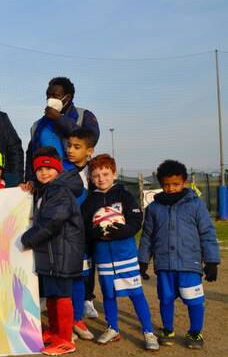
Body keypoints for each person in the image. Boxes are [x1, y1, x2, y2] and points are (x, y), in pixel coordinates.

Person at [138, 160, 220, 349]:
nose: (171, 188)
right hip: (165, 265)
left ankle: (195, 333)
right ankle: (168, 330)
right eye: (166, 184)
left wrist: (212, 261)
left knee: (194, 300)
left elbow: (207, 233)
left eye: (175, 184)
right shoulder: (154, 209)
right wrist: (143, 260)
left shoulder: (196, 205)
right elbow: (147, 236)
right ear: (161, 184)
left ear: (183, 182)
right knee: (165, 299)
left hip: (189, 265)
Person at [81, 154, 159, 350]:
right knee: (108, 294)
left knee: (136, 293)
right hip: (104, 258)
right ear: (91, 178)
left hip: (125, 255)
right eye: (96, 175)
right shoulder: (90, 202)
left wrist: (124, 231)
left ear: (114, 174)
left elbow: (135, 220)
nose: (101, 179)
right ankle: (113, 327)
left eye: (106, 174)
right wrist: (95, 232)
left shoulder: (124, 195)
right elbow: (84, 228)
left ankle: (148, 331)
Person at [20, 146, 84, 356]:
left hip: (63, 254)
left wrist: (27, 239)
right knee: (53, 297)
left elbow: (52, 222)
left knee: (63, 297)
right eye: (39, 170)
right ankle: (55, 332)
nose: (44, 173)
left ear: (57, 169)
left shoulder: (60, 192)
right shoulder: (45, 191)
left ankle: (66, 339)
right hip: (51, 255)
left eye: (48, 169)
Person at [24, 77, 100, 186]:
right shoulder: (38, 125)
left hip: (77, 181)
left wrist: (59, 119)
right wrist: (30, 179)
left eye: (56, 96)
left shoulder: (84, 116)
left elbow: (91, 138)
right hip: (46, 184)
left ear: (68, 97)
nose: (51, 99)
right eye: (48, 96)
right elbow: (31, 154)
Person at [64, 128, 100, 338]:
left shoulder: (94, 173)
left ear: (89, 151)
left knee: (80, 278)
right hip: (63, 236)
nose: (70, 150)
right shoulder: (60, 170)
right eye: (69, 145)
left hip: (85, 238)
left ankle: (77, 318)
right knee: (63, 281)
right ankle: (64, 322)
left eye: (76, 147)